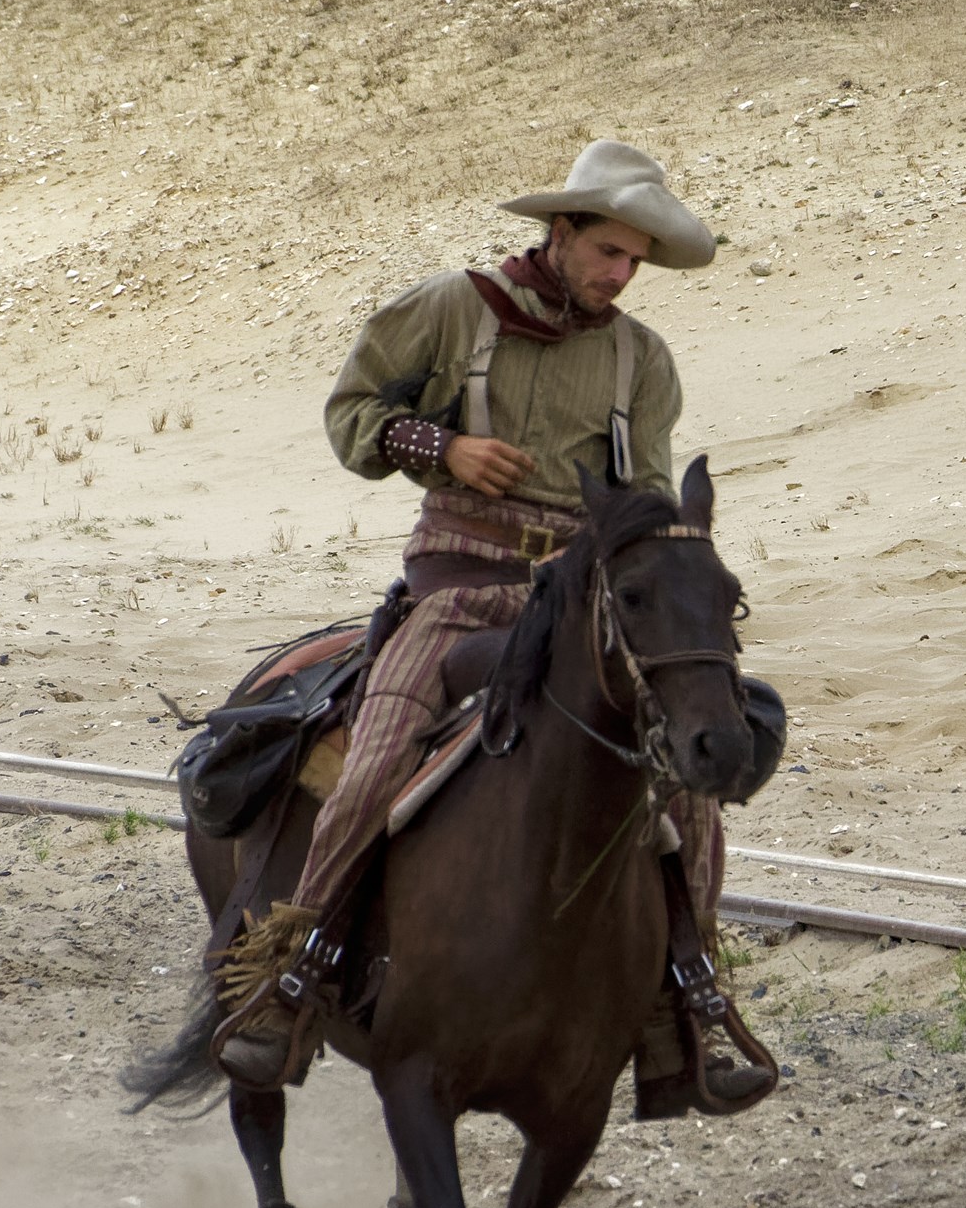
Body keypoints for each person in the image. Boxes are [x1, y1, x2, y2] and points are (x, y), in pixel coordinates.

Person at [210, 140, 772, 1118]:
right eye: (607, 252)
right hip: (457, 586)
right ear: (560, 233)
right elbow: (352, 412)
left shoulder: (643, 359)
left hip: (578, 604)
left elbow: (641, 504)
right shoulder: (452, 308)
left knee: (686, 789)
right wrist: (443, 445)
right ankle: (293, 977)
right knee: (377, 759)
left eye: (634, 262)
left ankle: (691, 999)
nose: (619, 275)